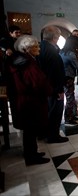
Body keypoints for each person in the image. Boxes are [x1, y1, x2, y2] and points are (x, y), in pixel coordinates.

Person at [7, 35, 52, 165]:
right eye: (35, 46)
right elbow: (38, 82)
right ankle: (31, 156)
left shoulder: (19, 59)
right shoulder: (27, 63)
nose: (39, 48)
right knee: (31, 129)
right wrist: (49, 90)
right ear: (27, 49)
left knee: (29, 130)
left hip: (25, 100)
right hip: (31, 101)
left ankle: (32, 152)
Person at [37, 26, 69, 143]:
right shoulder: (52, 52)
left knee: (46, 111)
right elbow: (56, 74)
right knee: (55, 112)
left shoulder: (40, 47)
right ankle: (53, 136)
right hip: (53, 89)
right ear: (55, 37)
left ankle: (43, 133)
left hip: (43, 87)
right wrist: (59, 90)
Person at [59, 35, 78, 125]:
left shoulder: (62, 52)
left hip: (64, 77)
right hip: (68, 78)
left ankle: (73, 115)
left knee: (71, 97)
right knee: (70, 98)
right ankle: (68, 119)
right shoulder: (71, 54)